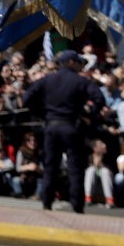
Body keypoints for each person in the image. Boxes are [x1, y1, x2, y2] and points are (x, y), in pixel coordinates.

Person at [23, 49, 106, 213]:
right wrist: (89, 115)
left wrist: (42, 114)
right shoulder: (81, 81)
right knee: (75, 168)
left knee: (50, 166)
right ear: (69, 62)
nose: (80, 66)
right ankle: (77, 205)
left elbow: (27, 98)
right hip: (71, 126)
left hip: (52, 126)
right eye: (77, 62)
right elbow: (99, 99)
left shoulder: (47, 79)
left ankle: (47, 202)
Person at [83, 138, 114, 207]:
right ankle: (88, 198)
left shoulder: (108, 158)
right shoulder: (89, 158)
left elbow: (112, 175)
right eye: (101, 144)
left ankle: (109, 200)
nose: (104, 146)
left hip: (104, 190)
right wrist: (95, 164)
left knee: (105, 171)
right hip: (92, 189)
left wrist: (101, 164)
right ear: (95, 148)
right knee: (91, 170)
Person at [15, 132, 42, 199]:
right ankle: (20, 194)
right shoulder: (21, 151)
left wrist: (37, 168)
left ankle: (37, 195)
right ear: (25, 142)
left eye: (34, 140)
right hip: (24, 177)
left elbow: (44, 170)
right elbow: (17, 168)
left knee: (42, 181)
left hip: (36, 177)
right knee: (15, 180)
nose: (32, 142)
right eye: (29, 140)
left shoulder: (40, 152)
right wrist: (27, 167)